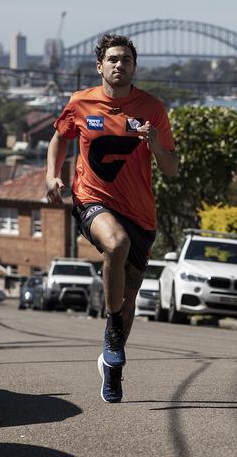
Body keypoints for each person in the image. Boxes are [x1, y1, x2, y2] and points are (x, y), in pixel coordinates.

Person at [46, 34, 178, 403]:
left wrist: (155, 145)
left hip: (141, 213)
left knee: (130, 296)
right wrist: (51, 175)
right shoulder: (80, 102)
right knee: (115, 244)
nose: (121, 65)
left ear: (134, 68)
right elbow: (59, 138)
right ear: (100, 65)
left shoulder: (152, 109)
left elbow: (171, 168)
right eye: (114, 59)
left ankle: (112, 362)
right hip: (92, 199)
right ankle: (114, 329)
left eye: (128, 61)